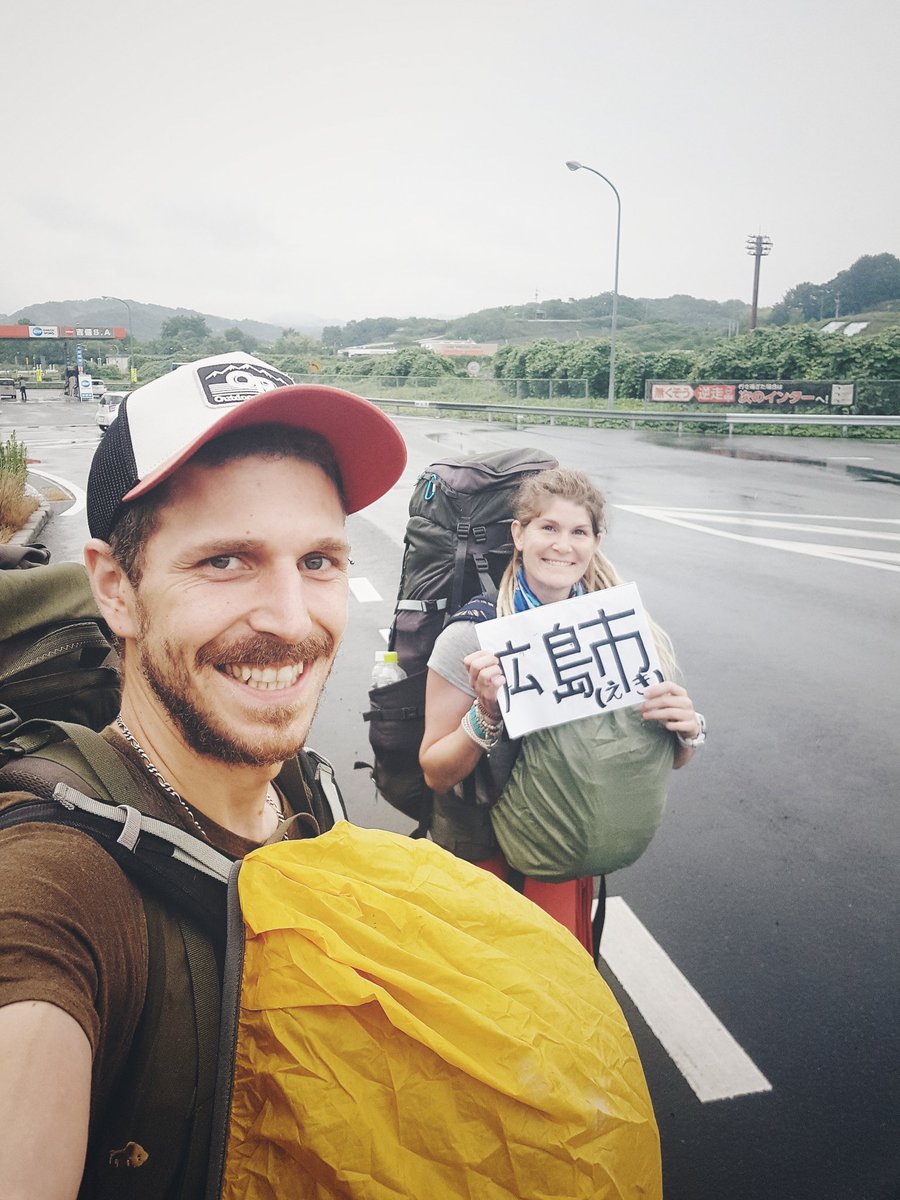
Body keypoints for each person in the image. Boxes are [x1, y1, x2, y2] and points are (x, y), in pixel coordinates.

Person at [0, 353, 407, 1197]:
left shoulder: (299, 787)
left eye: (319, 562)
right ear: (115, 587)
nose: (292, 621)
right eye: (226, 561)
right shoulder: (55, 886)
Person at [419, 466, 704, 952]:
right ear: (519, 534)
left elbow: (661, 758)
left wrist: (687, 731)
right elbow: (436, 773)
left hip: (562, 856)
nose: (561, 545)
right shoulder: (472, 636)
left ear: (596, 541)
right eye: (548, 528)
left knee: (561, 1004)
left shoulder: (616, 632)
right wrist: (486, 716)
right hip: (484, 862)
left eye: (578, 532)